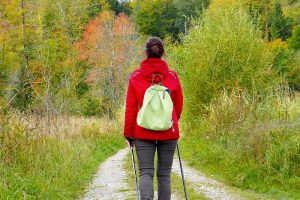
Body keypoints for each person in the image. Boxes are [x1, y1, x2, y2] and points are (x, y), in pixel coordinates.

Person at [124, 37, 183, 200]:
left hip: (143, 132)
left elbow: (130, 109)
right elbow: (178, 105)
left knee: (146, 173)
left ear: (146, 53)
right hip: (168, 132)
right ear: (162, 53)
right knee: (164, 175)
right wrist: (171, 122)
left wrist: (129, 134)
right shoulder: (172, 76)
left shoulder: (136, 76)